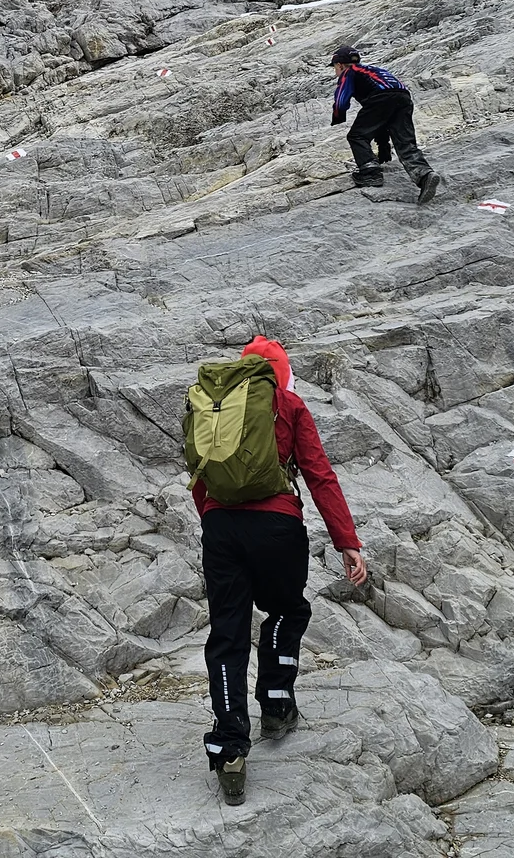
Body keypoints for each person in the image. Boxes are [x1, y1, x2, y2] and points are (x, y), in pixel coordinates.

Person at [190, 336, 368, 805]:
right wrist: (346, 542)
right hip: (277, 527)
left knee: (227, 633)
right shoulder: (288, 404)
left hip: (221, 526)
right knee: (287, 610)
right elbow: (318, 473)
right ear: (281, 373)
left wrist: (213, 520)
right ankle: (275, 703)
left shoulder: (216, 404)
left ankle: (230, 748)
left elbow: (200, 472)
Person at [329, 45, 440, 202]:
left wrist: (337, 117)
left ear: (339, 65)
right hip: (403, 97)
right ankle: (425, 175)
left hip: (380, 98)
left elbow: (341, 100)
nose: (335, 72)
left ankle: (370, 173)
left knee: (356, 135)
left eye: (334, 68)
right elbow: (381, 119)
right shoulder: (374, 70)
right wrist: (383, 145)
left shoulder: (348, 72)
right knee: (405, 143)